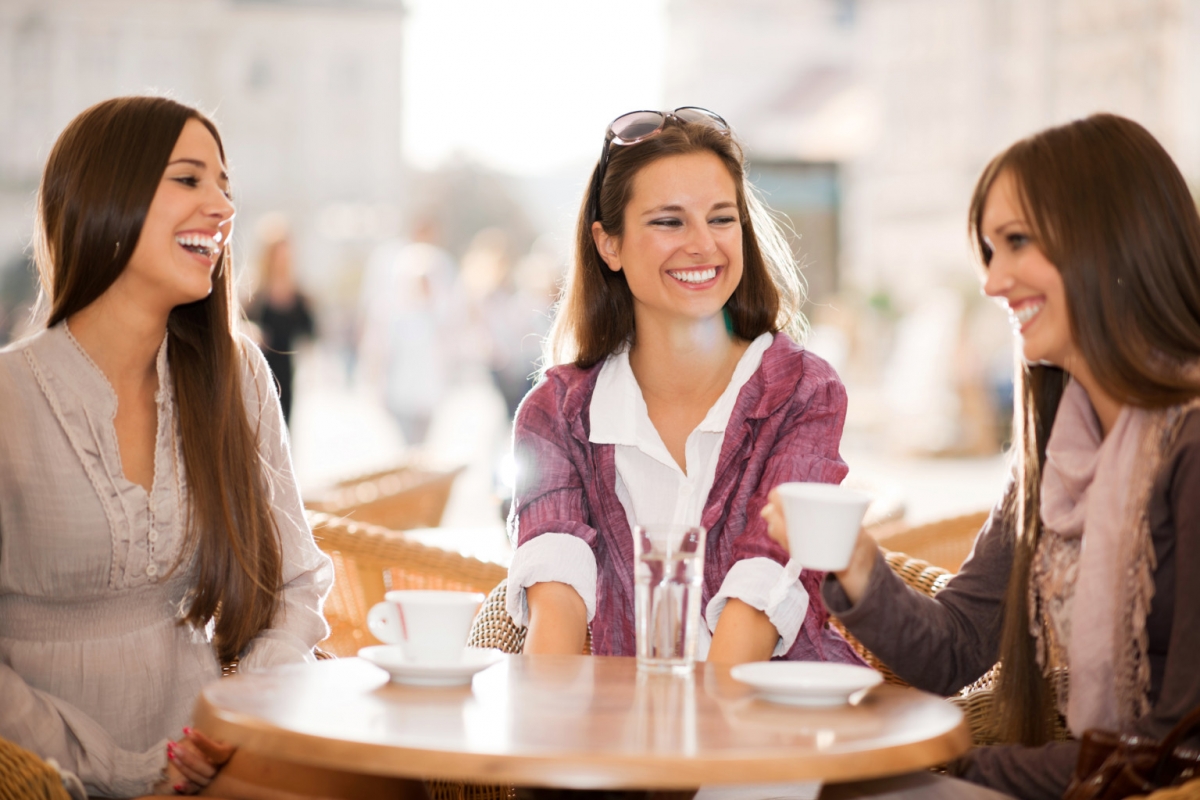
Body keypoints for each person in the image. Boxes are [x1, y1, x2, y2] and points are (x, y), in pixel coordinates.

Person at [765, 113, 1200, 799]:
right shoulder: (1055, 456)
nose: (994, 283)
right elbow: (955, 648)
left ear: (1112, 237)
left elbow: (1179, 748)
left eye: (1017, 242)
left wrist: (944, 768)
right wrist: (852, 561)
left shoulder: (1191, 449)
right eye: (989, 253)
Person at [0, 96, 333, 797]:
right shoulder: (9, 399)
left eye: (225, 185)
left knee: (386, 782)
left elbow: (298, 586)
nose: (221, 206)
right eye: (189, 179)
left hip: (213, 759)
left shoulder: (236, 375)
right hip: (47, 775)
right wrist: (130, 772)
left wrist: (235, 722)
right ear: (106, 197)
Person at [506, 107, 863, 666]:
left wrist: (686, 746)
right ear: (610, 245)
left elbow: (764, 588)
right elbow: (556, 601)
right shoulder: (555, 414)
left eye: (722, 219)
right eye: (669, 222)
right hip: (623, 736)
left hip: (781, 732)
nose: (703, 245)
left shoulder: (803, 390)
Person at [245, 215, 315, 426]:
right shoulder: (252, 295)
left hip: (287, 376)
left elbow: (310, 334)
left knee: (284, 429)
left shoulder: (299, 296)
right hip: (256, 376)